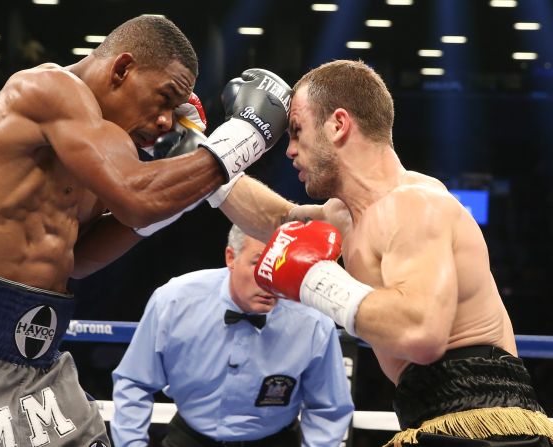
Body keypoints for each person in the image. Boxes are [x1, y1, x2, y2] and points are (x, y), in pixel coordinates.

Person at [0, 13, 293, 447]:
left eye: (175, 111)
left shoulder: (104, 148)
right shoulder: (47, 89)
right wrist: (245, 135)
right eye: (164, 99)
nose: (165, 123)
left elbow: (82, 257)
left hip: (38, 363)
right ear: (122, 69)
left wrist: (184, 192)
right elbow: (139, 198)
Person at [212, 60, 553, 446]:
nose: (289, 150)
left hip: (488, 429)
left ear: (338, 124)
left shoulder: (416, 204)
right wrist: (207, 153)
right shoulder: (345, 215)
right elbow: (276, 219)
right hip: (427, 421)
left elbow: (421, 333)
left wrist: (316, 280)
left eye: (296, 132)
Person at [110, 224, 354, 447]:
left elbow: (329, 408)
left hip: (275, 440)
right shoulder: (174, 301)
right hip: (191, 438)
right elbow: (135, 382)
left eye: (280, 266)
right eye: (259, 264)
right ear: (231, 258)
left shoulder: (311, 319)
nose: (270, 281)